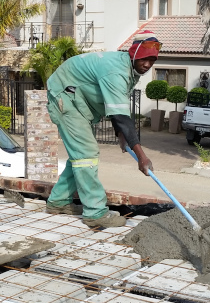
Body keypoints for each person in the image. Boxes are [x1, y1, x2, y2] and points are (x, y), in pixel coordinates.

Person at [44, 30, 161, 228]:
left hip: (76, 100)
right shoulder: (116, 71)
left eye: (152, 60)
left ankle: (58, 201)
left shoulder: (126, 68)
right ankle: (95, 212)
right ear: (133, 54)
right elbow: (122, 117)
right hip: (65, 97)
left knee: (80, 157)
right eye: (144, 59)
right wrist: (142, 156)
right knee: (86, 154)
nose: (147, 65)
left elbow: (116, 106)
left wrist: (121, 135)